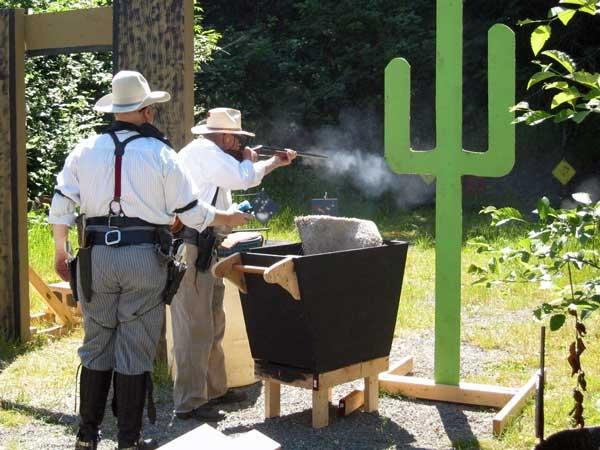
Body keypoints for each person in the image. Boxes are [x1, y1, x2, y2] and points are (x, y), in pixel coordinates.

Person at [48, 72, 250, 450]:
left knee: (95, 346)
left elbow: (61, 203)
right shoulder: (161, 155)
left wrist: (61, 252)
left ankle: (86, 437)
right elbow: (191, 213)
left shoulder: (85, 148)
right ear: (145, 112)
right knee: (135, 347)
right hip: (143, 257)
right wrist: (228, 219)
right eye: (151, 109)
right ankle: (128, 440)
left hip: (96, 258)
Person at [170, 107, 297, 421]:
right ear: (226, 136)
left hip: (206, 245)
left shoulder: (211, 155)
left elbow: (234, 190)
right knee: (194, 328)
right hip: (191, 245)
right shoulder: (207, 153)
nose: (239, 144)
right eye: (237, 138)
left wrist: (266, 163)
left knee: (213, 322)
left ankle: (213, 390)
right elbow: (244, 178)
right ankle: (190, 402)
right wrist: (261, 162)